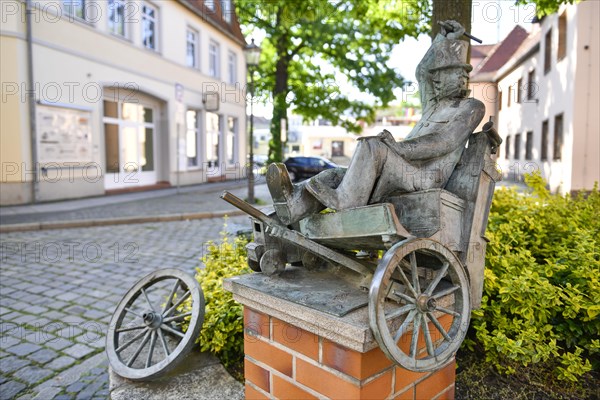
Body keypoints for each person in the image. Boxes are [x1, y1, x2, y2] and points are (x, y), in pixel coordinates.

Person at [267, 20, 485, 225]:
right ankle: (293, 205)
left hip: (424, 177)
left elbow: (443, 141)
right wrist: (444, 39)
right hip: (406, 166)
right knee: (333, 175)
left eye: (460, 74)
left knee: (372, 146)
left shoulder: (470, 107)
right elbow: (423, 71)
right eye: (447, 74)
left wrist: (399, 148)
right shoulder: (435, 105)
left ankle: (346, 201)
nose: (459, 78)